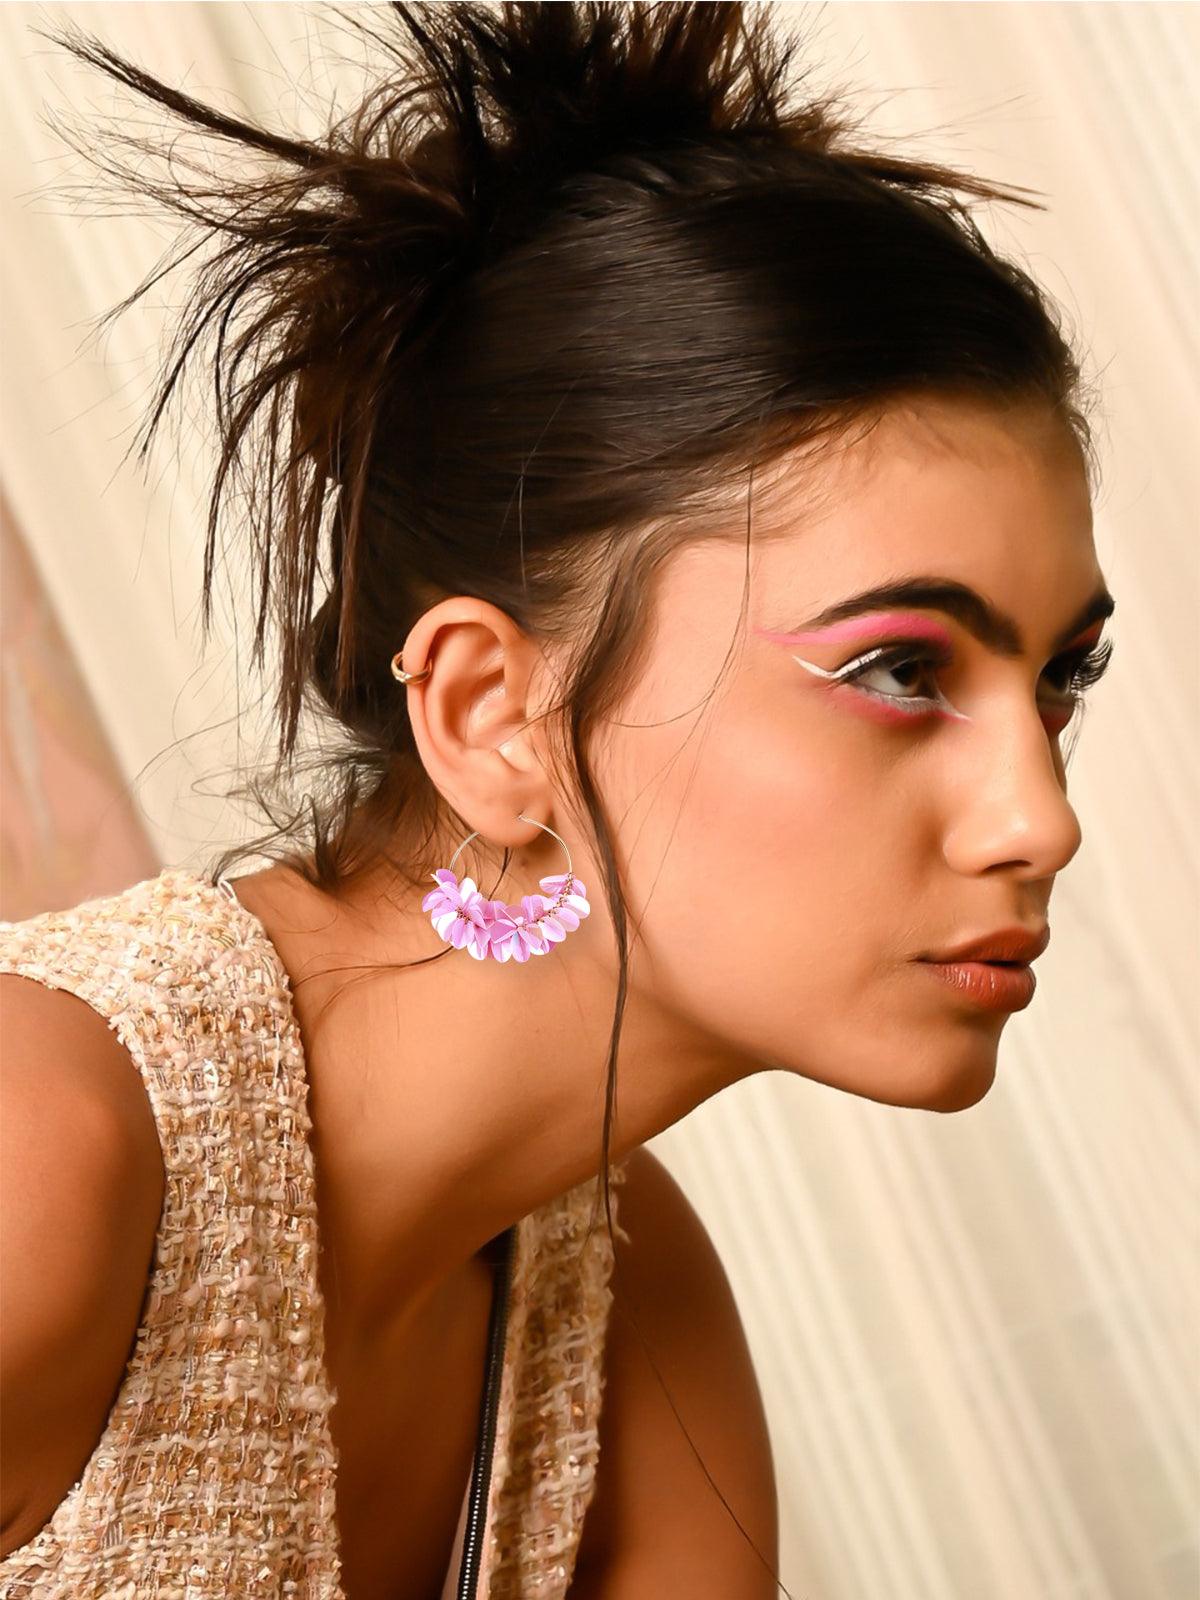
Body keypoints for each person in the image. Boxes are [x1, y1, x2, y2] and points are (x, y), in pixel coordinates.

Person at [0, 2, 1117, 1597]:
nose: (1039, 819)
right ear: (491, 713)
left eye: (1061, 676)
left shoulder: (623, 1322)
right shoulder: (44, 1144)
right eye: (896, 669)